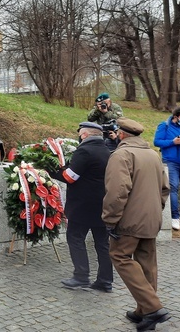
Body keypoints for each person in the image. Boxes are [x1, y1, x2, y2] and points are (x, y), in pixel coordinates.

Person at [102, 117, 171, 331]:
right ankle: (144, 313)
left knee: (120, 257)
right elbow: (165, 188)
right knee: (146, 262)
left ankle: (152, 308)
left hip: (129, 220)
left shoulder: (121, 155)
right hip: (151, 218)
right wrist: (154, 211)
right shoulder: (153, 154)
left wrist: (110, 219)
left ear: (121, 134)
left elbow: (117, 192)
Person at [51, 122, 113, 292]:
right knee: (102, 243)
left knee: (75, 238)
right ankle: (105, 280)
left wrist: (52, 171)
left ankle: (81, 276)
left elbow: (70, 177)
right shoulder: (106, 151)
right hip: (103, 204)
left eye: (80, 134)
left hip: (83, 206)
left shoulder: (84, 150)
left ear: (84, 135)